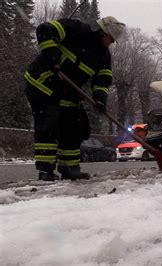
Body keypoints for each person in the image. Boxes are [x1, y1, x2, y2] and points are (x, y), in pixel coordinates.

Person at [24, 16, 126, 181]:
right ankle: (46, 170)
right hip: (42, 84)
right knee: (49, 122)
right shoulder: (76, 29)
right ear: (102, 32)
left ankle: (70, 168)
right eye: (111, 38)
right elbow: (44, 30)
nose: (112, 42)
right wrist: (52, 54)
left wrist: (100, 98)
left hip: (67, 93)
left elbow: (102, 80)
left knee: (74, 127)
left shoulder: (103, 56)